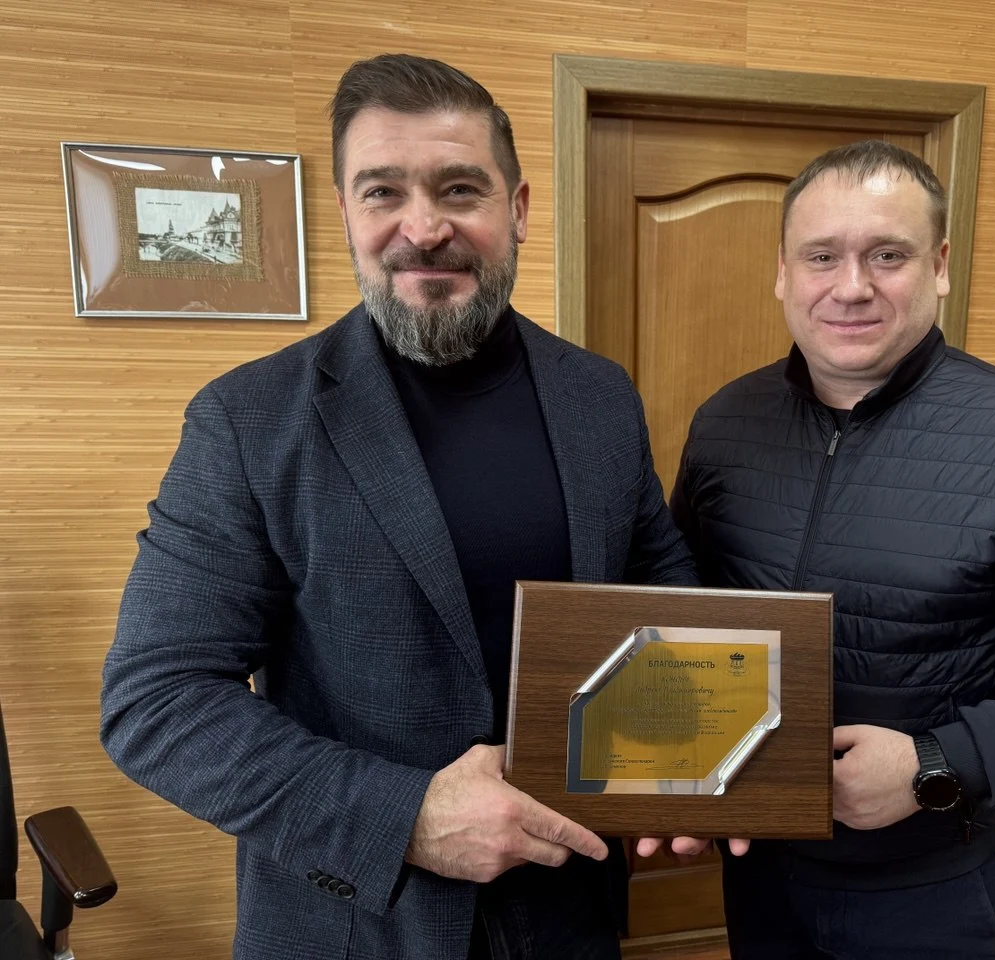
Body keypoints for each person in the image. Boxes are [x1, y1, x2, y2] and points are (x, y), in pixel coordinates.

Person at [100, 53, 696, 960]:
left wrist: (691, 764)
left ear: (517, 209)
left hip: (569, 910)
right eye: (383, 192)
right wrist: (407, 815)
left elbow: (663, 603)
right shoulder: (247, 420)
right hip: (359, 925)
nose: (424, 228)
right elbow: (157, 702)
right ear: (346, 211)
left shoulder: (600, 398)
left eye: (460, 188)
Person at [654, 140, 995, 959]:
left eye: (887, 255)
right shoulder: (726, 423)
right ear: (783, 274)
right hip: (758, 872)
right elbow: (681, 611)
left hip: (928, 892)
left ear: (938, 266)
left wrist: (937, 763)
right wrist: (669, 774)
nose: (851, 286)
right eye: (821, 256)